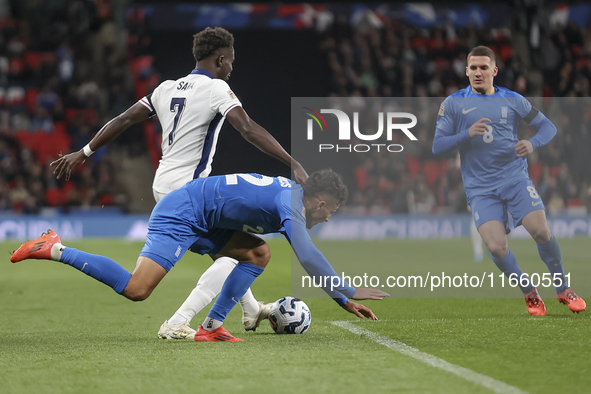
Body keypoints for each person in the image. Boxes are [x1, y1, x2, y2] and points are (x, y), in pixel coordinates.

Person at [50, 27, 308, 338]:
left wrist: (85, 151)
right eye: (231, 61)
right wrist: (292, 161)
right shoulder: (216, 89)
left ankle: (250, 309)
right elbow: (248, 129)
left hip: (164, 185)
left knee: (246, 252)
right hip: (188, 194)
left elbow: (123, 120)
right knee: (160, 280)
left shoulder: (165, 88)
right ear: (221, 59)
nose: (232, 67)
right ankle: (179, 322)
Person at [11, 169, 389, 341]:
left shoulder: (290, 194)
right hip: (184, 212)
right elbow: (306, 253)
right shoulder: (292, 206)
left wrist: (341, 301)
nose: (328, 218)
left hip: (207, 217)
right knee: (136, 288)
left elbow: (304, 253)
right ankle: (55, 248)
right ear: (321, 202)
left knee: (258, 253)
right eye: (331, 212)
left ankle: (211, 327)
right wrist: (347, 290)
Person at [432, 46, 585, 316]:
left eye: (483, 67)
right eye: (473, 68)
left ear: (494, 70)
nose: (478, 72)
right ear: (466, 71)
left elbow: (548, 127)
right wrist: (466, 134)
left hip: (514, 178)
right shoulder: (453, 104)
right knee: (496, 246)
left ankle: (563, 288)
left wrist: (532, 142)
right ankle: (529, 291)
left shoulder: (513, 100)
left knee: (541, 231)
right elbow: (437, 147)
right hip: (480, 187)